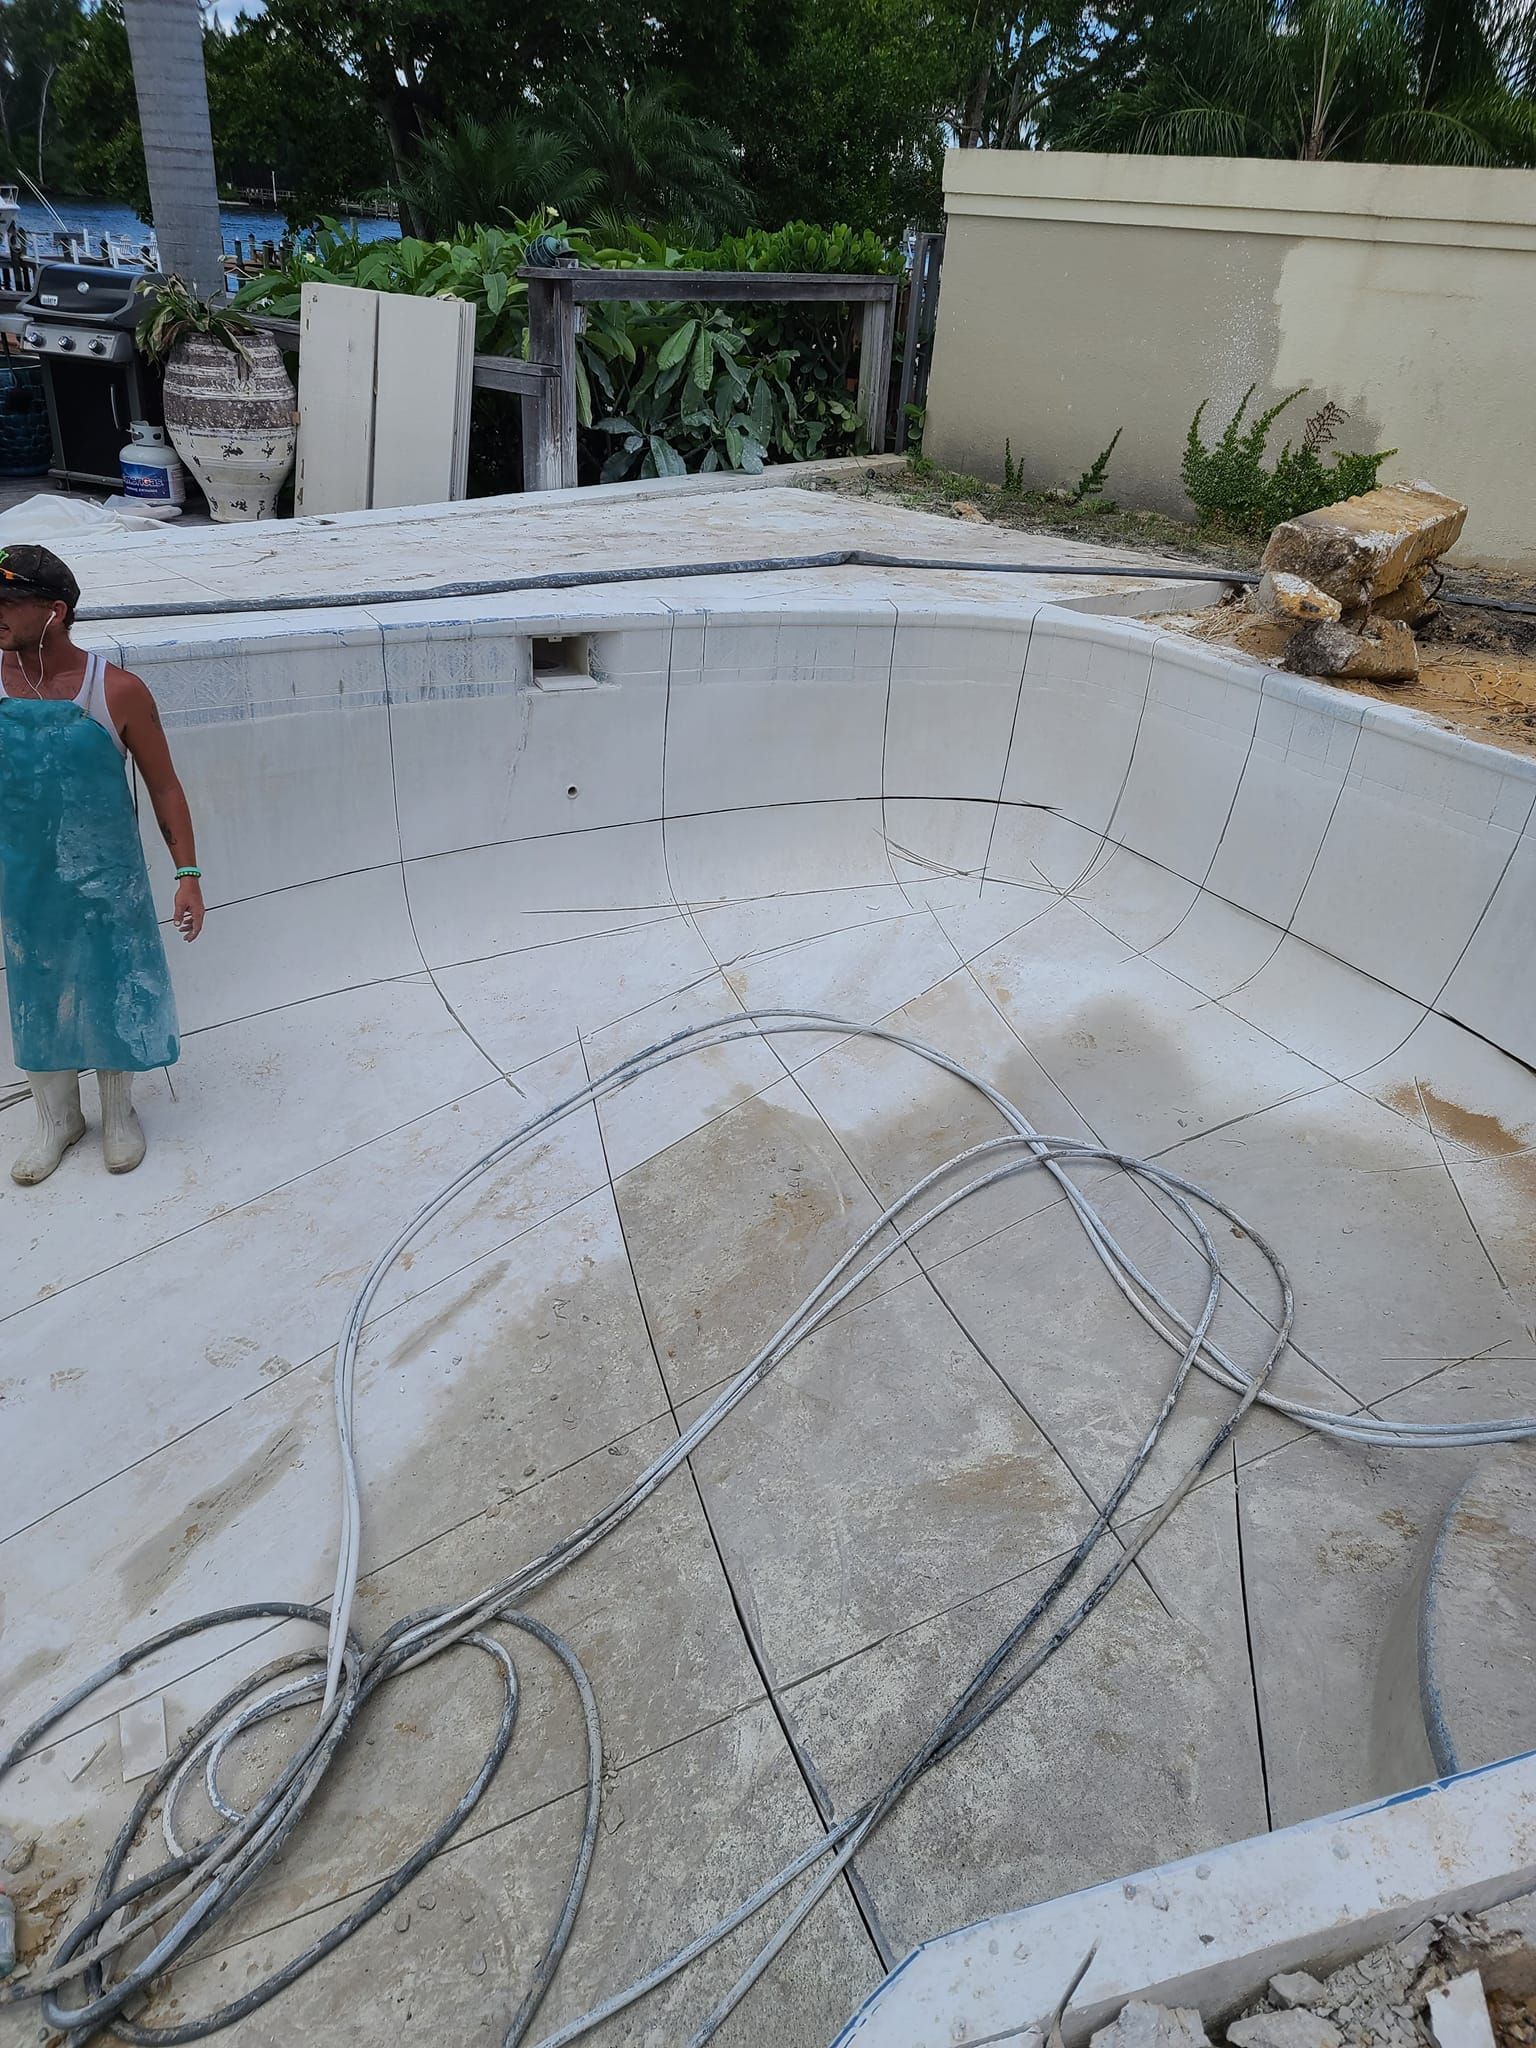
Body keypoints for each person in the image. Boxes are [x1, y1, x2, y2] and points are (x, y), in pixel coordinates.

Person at [0, 543, 203, 1184]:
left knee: (111, 983)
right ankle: (57, 1118)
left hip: (105, 880)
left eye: (6, 603)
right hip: (23, 878)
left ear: (54, 612)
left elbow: (164, 786)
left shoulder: (114, 690)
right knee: (34, 991)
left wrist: (188, 876)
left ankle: (119, 1113)